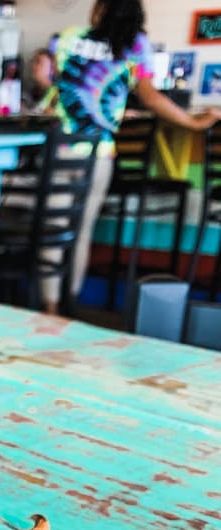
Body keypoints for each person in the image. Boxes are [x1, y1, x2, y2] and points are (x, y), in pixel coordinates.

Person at [44, 0, 220, 310]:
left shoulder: (69, 36)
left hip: (60, 149)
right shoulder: (135, 45)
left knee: (53, 230)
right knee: (82, 232)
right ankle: (68, 305)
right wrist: (193, 121)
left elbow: (68, 87)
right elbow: (149, 96)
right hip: (98, 153)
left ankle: (48, 305)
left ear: (100, 10)